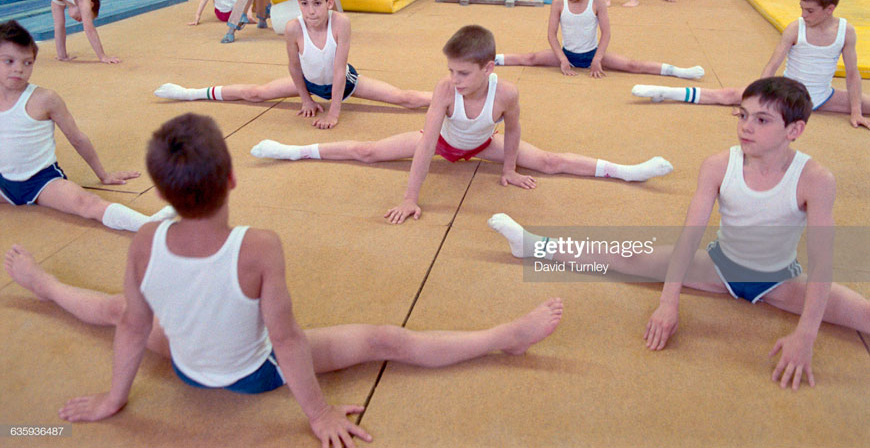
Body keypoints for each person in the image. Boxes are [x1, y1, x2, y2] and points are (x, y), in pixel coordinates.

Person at [2, 112, 565, 446]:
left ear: (161, 192)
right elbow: (288, 341)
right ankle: (501, 339)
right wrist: (318, 413)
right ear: (232, 181)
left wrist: (112, 399)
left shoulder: (146, 241)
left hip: (186, 365)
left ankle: (41, 283)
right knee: (383, 340)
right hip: (255, 373)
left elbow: (130, 327)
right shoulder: (257, 247)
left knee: (112, 310)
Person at [490, 77, 870, 390]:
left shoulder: (815, 179)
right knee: (629, 257)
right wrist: (669, 303)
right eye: (743, 115)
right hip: (721, 267)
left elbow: (822, 262)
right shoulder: (719, 165)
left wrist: (806, 335)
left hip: (780, 281)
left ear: (795, 130)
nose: (746, 127)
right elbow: (690, 236)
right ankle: (534, 245)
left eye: (762, 120)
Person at [251, 25, 675, 224]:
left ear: (489, 68)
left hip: (481, 146)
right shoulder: (444, 90)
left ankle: (627, 172)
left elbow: (515, 132)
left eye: (464, 74)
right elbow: (426, 142)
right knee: (368, 152)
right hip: (441, 144)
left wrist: (508, 169)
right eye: (451, 71)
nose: (455, 80)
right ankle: (292, 151)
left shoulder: (506, 93)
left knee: (547, 162)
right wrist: (410, 197)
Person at [156, 0, 431, 130]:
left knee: (404, 99)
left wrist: (334, 111)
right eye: (304, 3)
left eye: (317, 4)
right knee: (255, 93)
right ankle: (190, 93)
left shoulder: (341, 24)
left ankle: (452, 99)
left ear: (330, 3)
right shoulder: (293, 28)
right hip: (308, 82)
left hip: (345, 83)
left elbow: (338, 69)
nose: (310, 11)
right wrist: (306, 100)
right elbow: (294, 68)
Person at [0, 21, 175, 231]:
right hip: (4, 183)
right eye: (9, 61)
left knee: (86, 203)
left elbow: (77, 138)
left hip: (42, 181)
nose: (19, 69)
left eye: (27, 63)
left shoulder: (45, 99)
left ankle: (147, 225)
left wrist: (103, 175)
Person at [632, 0, 870, 130]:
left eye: (810, 11)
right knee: (728, 95)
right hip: (787, 94)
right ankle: (664, 92)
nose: (804, 15)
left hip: (823, 95)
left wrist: (856, 111)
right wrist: (753, 102)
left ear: (830, 10)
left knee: (866, 103)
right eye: (802, 9)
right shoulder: (796, 28)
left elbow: (852, 75)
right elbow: (771, 67)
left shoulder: (846, 32)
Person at [493, 0, 705, 79]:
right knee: (529, 58)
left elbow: (606, 33)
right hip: (567, 54)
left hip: (594, 54)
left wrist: (597, 58)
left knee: (632, 65)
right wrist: (562, 59)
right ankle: (490, 58)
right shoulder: (559, 3)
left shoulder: (598, 2)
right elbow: (551, 35)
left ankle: (678, 71)